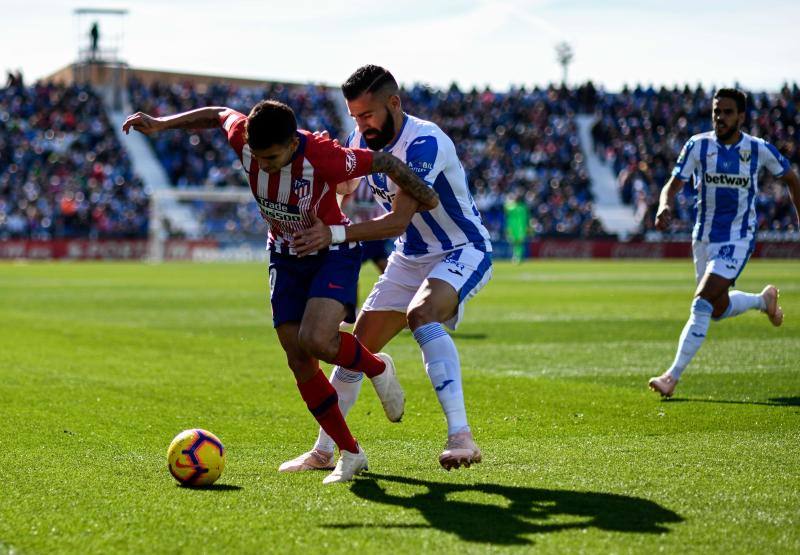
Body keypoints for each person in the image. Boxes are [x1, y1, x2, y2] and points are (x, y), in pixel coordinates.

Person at [122, 99, 438, 483]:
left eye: (271, 158)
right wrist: (160, 124)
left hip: (331, 251)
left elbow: (385, 163)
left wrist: (425, 194)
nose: (263, 165)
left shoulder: (324, 155)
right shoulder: (244, 137)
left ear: (292, 144)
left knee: (317, 339)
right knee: (298, 359)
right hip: (284, 256)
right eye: (258, 157)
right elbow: (217, 113)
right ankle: (350, 452)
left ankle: (375, 367)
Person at [286, 65, 493, 471]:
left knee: (422, 314)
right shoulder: (359, 137)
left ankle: (461, 437)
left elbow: (397, 220)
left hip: (461, 248)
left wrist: (335, 236)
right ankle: (324, 451)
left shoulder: (425, 143)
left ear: (393, 103)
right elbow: (344, 192)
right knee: (354, 353)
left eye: (367, 114)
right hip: (410, 255)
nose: (360, 125)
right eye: (354, 117)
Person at [648, 88, 800, 398]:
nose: (720, 117)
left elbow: (791, 180)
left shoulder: (758, 149)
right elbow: (672, 185)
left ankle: (671, 377)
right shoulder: (698, 146)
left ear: (741, 117)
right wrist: (664, 205)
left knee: (702, 301)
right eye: (717, 111)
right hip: (702, 238)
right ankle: (762, 301)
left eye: (728, 112)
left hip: (738, 238)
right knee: (717, 309)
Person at [504, 191, 529, 263]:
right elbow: (526, 219)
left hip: (516, 228)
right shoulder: (523, 208)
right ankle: (518, 256)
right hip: (519, 228)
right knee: (518, 243)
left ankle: (517, 256)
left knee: (517, 243)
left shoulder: (513, 207)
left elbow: (505, 207)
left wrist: (508, 199)